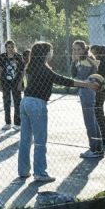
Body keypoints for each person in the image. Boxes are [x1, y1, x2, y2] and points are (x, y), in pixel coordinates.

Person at [18, 42, 99, 183]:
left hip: (25, 102)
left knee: (25, 139)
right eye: (50, 50)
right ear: (45, 53)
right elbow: (64, 81)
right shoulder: (44, 69)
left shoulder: (31, 66)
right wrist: (87, 84)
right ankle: (40, 172)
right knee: (40, 141)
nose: (52, 53)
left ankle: (23, 171)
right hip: (37, 104)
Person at [71, 40, 104, 158]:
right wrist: (74, 62)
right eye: (74, 50)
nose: (76, 52)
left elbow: (78, 78)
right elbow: (74, 75)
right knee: (92, 120)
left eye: (79, 49)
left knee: (89, 121)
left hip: (87, 92)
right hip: (86, 91)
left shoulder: (86, 61)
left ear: (84, 49)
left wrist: (74, 62)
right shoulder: (82, 60)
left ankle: (94, 149)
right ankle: (98, 148)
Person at [0, 40, 25, 130]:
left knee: (17, 102)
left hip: (16, 82)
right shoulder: (2, 57)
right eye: (8, 47)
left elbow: (22, 71)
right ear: (6, 48)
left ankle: (17, 123)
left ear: (15, 47)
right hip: (6, 82)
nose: (10, 49)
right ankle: (8, 123)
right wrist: (0, 83)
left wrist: (20, 83)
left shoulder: (19, 57)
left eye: (12, 47)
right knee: (6, 102)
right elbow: (0, 70)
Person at [91, 44, 105, 150]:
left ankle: (104, 139)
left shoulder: (99, 62)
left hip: (98, 92)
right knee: (99, 115)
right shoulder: (102, 61)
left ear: (96, 52)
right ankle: (104, 139)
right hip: (100, 91)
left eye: (92, 52)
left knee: (98, 116)